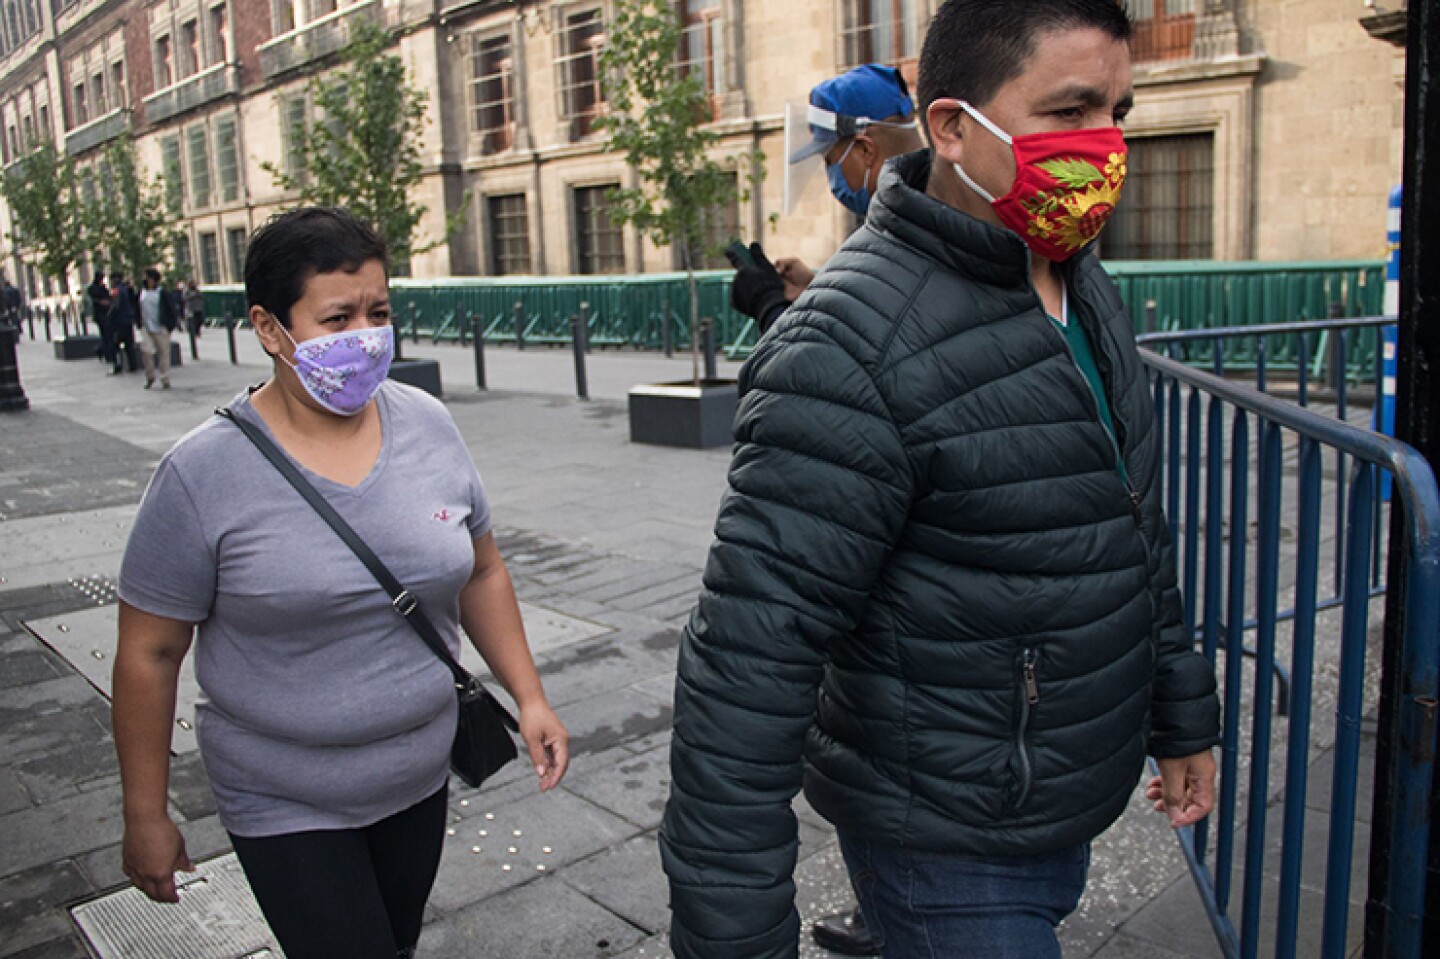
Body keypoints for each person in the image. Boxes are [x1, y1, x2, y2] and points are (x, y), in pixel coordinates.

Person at [659, 3, 1221, 958]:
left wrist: (1180, 710)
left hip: (1061, 797)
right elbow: (748, 667)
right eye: (1070, 109)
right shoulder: (846, 345)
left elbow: (1129, 526)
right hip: (942, 843)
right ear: (952, 126)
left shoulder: (1082, 276)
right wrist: (734, 933)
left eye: (1118, 113)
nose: (1104, 146)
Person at [112, 207, 570, 959]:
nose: (366, 333)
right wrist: (145, 810)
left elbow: (482, 566)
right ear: (268, 328)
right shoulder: (199, 475)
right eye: (337, 317)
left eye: (378, 311)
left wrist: (530, 693)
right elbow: (149, 652)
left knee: (396, 939)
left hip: (418, 777)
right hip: (284, 796)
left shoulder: (427, 424)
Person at [729, 64, 924, 339]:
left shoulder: (903, 239)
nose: (831, 176)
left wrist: (769, 305)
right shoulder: (937, 211)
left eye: (830, 161)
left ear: (865, 150)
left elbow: (814, 367)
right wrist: (816, 286)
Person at [137, 268, 180, 389]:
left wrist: (170, 325)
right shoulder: (141, 292)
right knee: (146, 351)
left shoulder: (162, 293)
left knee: (163, 353)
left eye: (148, 277)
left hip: (160, 327)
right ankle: (150, 376)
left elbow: (171, 309)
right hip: (146, 327)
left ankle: (164, 378)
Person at [108, 272, 139, 375]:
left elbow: (115, 306)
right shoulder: (127, 289)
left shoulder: (117, 291)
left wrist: (109, 316)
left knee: (115, 344)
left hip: (119, 322)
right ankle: (133, 365)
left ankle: (118, 365)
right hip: (128, 320)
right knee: (129, 344)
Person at [88, 273, 114, 366]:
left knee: (108, 334)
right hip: (99, 314)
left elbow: (108, 296)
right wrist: (101, 301)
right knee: (105, 334)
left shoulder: (103, 287)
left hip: (106, 313)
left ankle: (103, 351)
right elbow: (94, 298)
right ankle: (105, 352)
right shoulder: (93, 288)